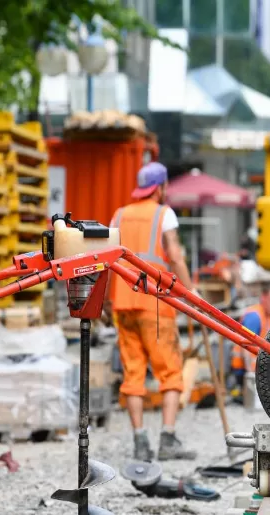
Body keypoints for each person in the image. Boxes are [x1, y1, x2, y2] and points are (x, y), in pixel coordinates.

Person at [108, 161, 197, 462]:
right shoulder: (164, 213)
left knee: (133, 374)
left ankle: (140, 441)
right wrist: (191, 290)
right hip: (154, 303)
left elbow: (108, 261)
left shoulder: (118, 215)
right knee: (170, 371)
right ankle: (167, 439)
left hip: (123, 302)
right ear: (160, 188)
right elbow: (174, 254)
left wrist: (109, 300)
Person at [230, 284, 270, 390]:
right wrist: (251, 377)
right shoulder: (254, 316)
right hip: (244, 373)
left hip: (256, 372)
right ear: (263, 297)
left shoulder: (266, 317)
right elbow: (247, 347)